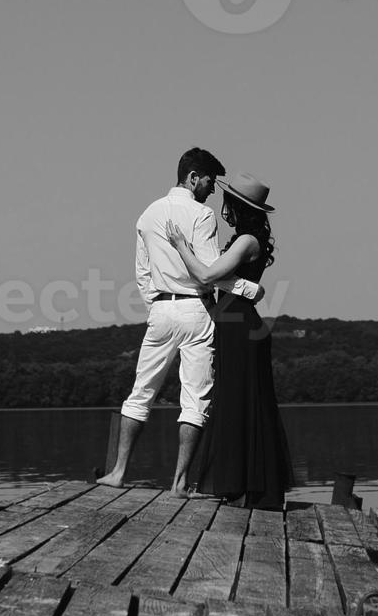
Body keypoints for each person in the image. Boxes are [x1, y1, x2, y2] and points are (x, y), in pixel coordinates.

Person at [97, 148, 262, 492]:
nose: (212, 190)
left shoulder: (147, 214)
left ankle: (117, 473)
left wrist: (156, 303)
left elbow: (142, 272)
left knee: (140, 392)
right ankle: (179, 482)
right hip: (195, 310)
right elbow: (208, 275)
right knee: (195, 399)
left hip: (160, 309)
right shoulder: (201, 216)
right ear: (192, 177)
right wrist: (248, 288)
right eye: (209, 181)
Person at [165, 170, 293, 507]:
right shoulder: (246, 239)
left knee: (242, 404)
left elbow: (207, 274)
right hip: (233, 322)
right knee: (237, 403)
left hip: (241, 327)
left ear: (238, 206)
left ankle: (246, 488)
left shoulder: (247, 241)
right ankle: (241, 486)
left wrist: (181, 246)